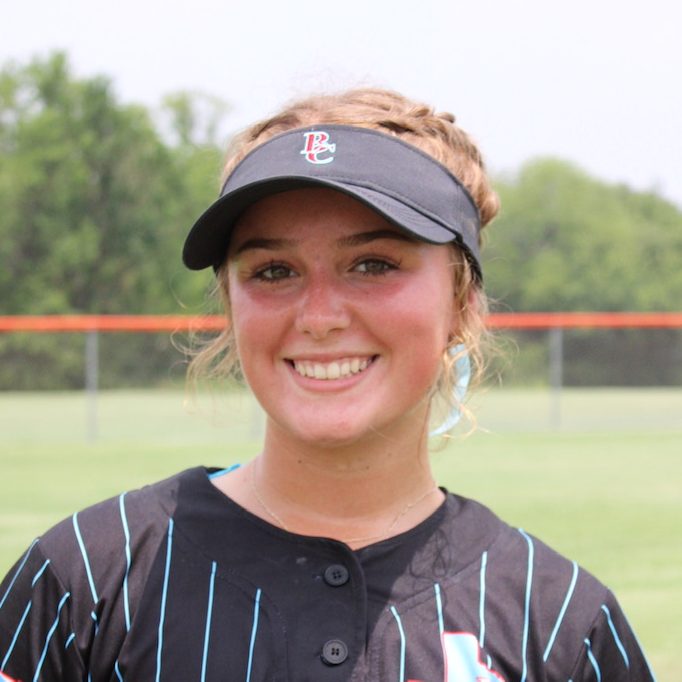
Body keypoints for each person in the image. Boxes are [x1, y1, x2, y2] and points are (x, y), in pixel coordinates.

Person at [0, 89, 655, 681]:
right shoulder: (86, 580)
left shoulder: (560, 623)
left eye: (373, 264)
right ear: (230, 304)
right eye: (274, 270)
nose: (319, 317)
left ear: (462, 302)